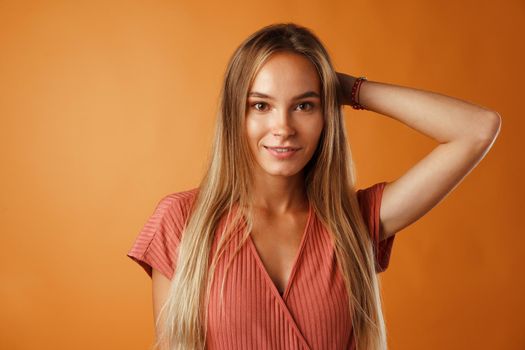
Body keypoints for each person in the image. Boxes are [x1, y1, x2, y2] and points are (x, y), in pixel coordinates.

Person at [127, 22, 501, 350]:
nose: (283, 127)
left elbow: (477, 129)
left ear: (327, 116)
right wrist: (314, 88)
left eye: (304, 106)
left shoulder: (356, 222)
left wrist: (348, 88)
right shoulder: (182, 221)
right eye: (261, 106)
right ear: (234, 114)